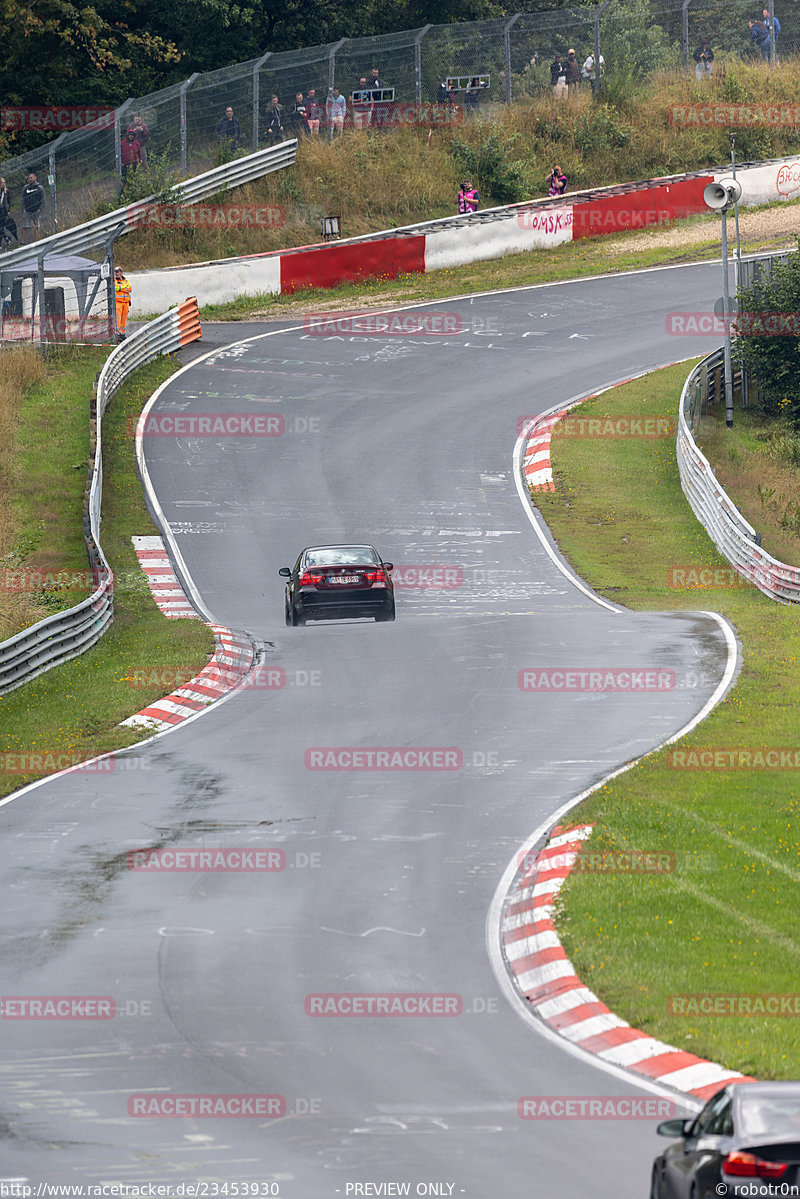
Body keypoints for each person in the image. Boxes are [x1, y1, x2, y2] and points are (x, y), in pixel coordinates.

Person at [21, 171, 45, 243]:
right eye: (29, 178)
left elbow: (43, 199)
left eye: (31, 178)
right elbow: (22, 198)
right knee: (25, 226)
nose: (30, 179)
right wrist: (23, 209)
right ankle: (22, 242)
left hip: (36, 210)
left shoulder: (39, 187)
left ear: (35, 178)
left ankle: (36, 241)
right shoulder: (26, 187)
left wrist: (40, 209)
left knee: (37, 226)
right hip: (27, 210)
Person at [114, 267, 131, 342]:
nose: (116, 273)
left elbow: (130, 289)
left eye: (117, 272)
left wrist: (121, 288)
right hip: (118, 302)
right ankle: (117, 335)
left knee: (123, 319)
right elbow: (116, 288)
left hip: (126, 303)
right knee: (117, 319)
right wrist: (124, 287)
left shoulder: (126, 280)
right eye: (115, 272)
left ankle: (122, 334)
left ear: (121, 272)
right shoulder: (113, 280)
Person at [0, 178, 17, 249]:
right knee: (0, 228)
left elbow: (9, 201)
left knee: (1, 227)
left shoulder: (6, 191)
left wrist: (8, 210)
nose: (3, 184)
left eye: (4, 182)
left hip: (3, 211)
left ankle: (3, 241)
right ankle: (6, 238)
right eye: (2, 183)